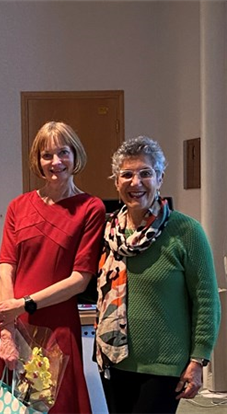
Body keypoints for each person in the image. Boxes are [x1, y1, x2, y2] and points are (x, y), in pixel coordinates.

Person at [95, 136, 221, 414]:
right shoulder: (108, 232)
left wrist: (198, 360)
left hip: (164, 366)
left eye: (145, 173)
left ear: (160, 178)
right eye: (126, 174)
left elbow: (207, 301)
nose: (135, 182)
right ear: (116, 181)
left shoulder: (186, 231)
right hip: (114, 362)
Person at [0, 121, 106, 414]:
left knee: (56, 406)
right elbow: (6, 265)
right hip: (12, 325)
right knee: (9, 407)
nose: (55, 162)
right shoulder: (18, 206)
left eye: (63, 152)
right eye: (46, 155)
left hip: (55, 327)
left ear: (75, 156)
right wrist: (7, 328)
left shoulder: (91, 208)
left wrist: (23, 305)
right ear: (37, 161)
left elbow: (80, 279)